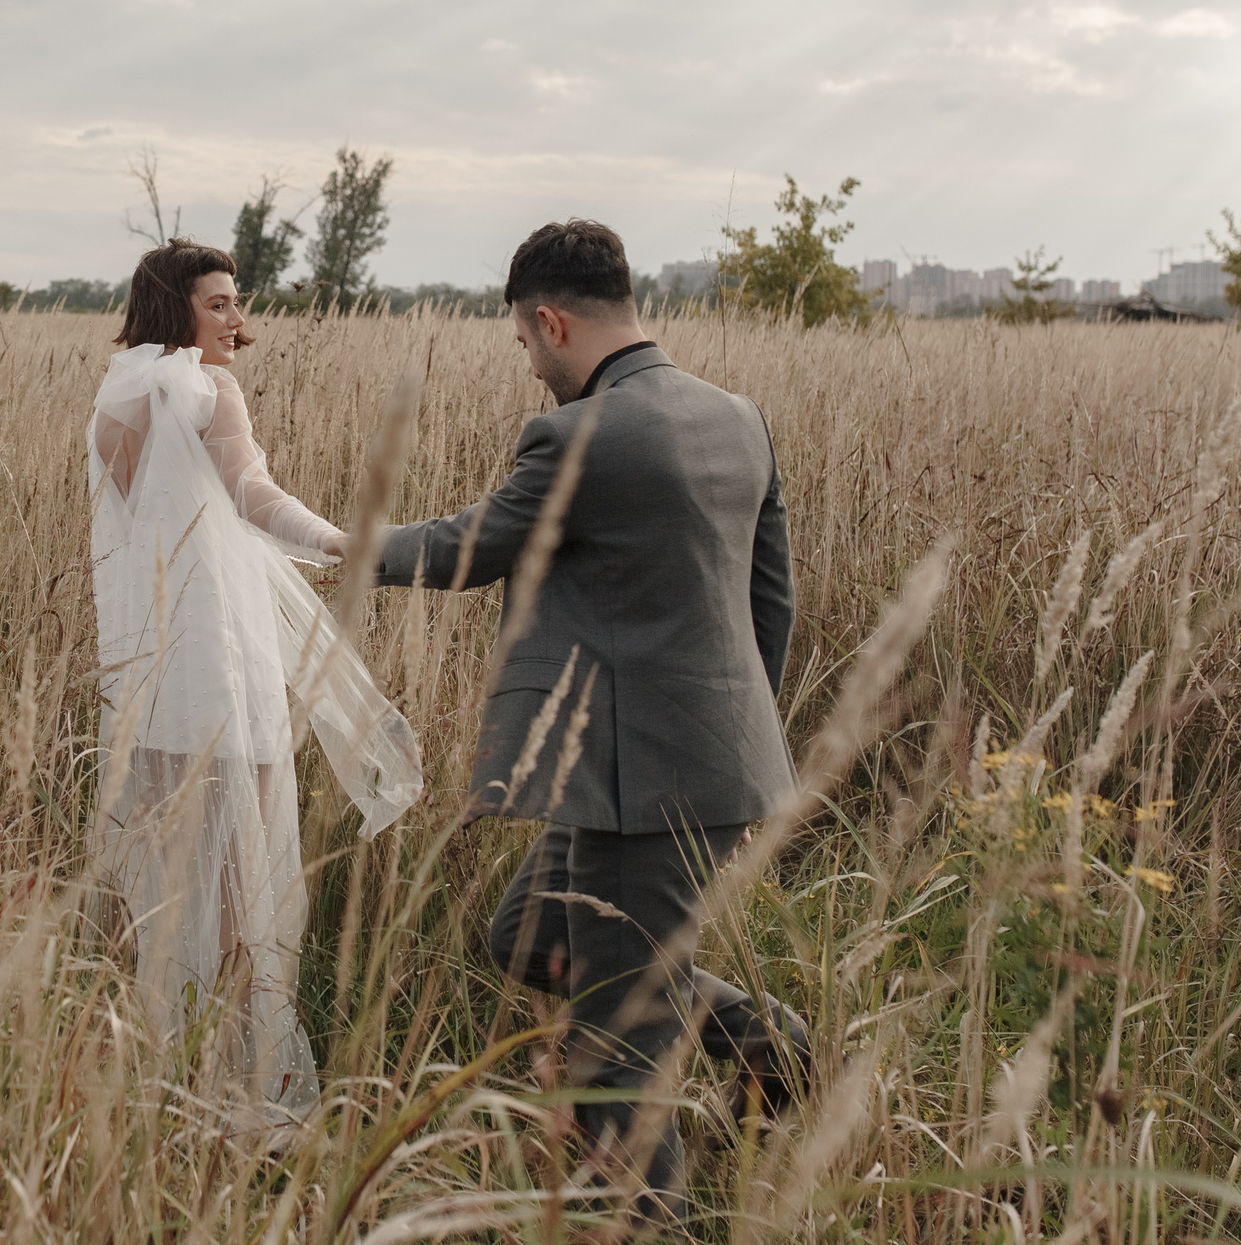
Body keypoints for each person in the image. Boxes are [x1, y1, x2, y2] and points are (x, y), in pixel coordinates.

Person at [372, 219, 812, 1216]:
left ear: (550, 320)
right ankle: (764, 1041)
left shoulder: (581, 435)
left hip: (635, 787)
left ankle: (651, 1224)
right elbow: (770, 601)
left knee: (617, 1053)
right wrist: (732, 742)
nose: (530, 367)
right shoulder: (736, 416)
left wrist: (331, 543)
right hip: (705, 767)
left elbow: (464, 549)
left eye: (525, 344)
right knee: (527, 933)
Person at [86, 239, 422, 1122]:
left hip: (146, 667)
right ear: (177, 309)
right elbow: (254, 498)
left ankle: (152, 1071)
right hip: (219, 660)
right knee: (243, 873)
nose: (241, 322)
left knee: (159, 867)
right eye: (222, 304)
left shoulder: (118, 392)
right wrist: (344, 544)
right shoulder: (206, 389)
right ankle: (247, 1088)